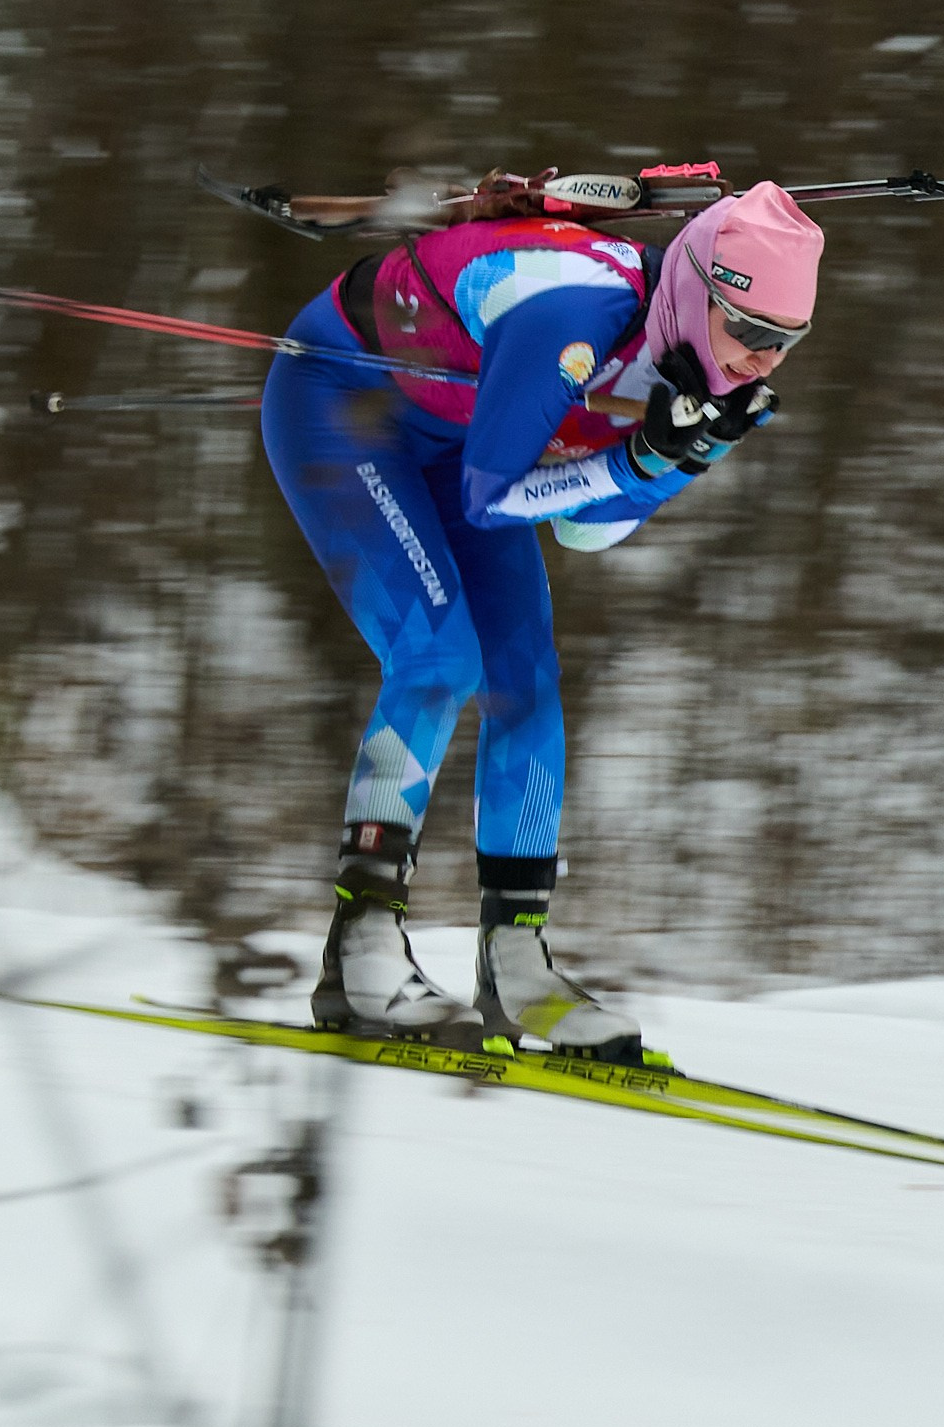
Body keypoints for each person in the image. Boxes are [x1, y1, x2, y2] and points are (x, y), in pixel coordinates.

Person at [259, 179, 824, 1063]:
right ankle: (359, 946)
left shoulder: (669, 340)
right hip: (345, 409)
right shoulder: (574, 313)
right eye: (748, 331)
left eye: (785, 343)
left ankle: (515, 962)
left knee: (526, 684)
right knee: (438, 660)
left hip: (457, 444)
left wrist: (681, 459)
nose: (759, 360)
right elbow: (495, 501)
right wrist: (644, 455)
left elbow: (585, 526)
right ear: (697, 291)